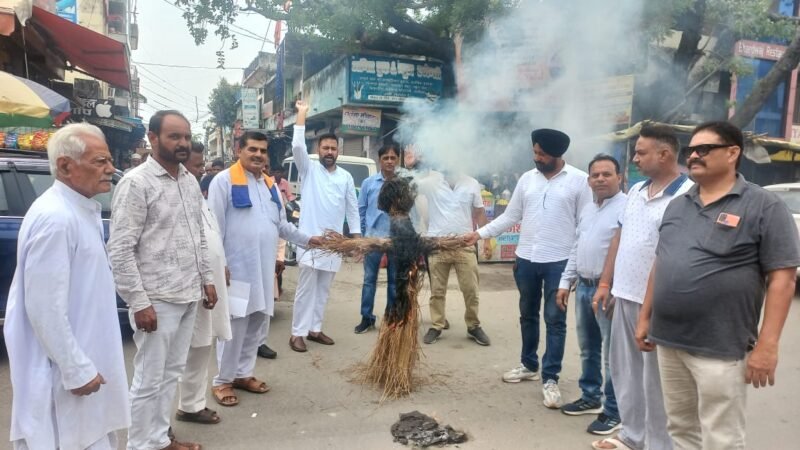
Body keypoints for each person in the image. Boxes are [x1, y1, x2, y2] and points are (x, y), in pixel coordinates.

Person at [636, 122, 800, 449]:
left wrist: (767, 346)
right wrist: (645, 317)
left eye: (704, 149)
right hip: (669, 340)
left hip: (720, 347)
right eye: (691, 150)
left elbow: (782, 277)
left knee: (721, 438)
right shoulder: (678, 205)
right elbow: (662, 263)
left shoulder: (764, 206)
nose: (694, 155)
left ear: (732, 153)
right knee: (681, 429)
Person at [4, 124, 129, 450]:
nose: (110, 169)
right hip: (64, 381)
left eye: (110, 160)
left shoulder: (78, 209)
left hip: (84, 368)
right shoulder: (56, 218)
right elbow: (44, 308)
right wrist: (76, 369)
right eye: (100, 161)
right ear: (65, 166)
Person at [108, 110, 217, 450]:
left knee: (171, 373)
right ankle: (140, 445)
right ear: (153, 139)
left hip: (187, 294)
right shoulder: (136, 183)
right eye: (174, 137)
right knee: (148, 379)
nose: (183, 143)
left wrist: (207, 279)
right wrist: (139, 302)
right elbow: (121, 249)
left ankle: (158, 439)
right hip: (156, 299)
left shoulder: (188, 179)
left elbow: (198, 233)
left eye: (186, 136)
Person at [465, 128, 592, 408]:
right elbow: (511, 215)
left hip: (559, 262)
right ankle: (528, 365)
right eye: (534, 152)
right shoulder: (527, 179)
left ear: (557, 154)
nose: (536, 157)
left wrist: (574, 267)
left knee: (555, 320)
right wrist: (479, 234)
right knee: (527, 315)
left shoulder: (580, 181)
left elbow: (584, 226)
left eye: (541, 153)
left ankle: (550, 377)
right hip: (526, 259)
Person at [590, 125, 693, 450]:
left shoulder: (688, 194)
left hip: (661, 302)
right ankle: (632, 436)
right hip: (624, 296)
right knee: (626, 372)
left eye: (641, 152)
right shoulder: (635, 191)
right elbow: (620, 237)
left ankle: (659, 444)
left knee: (658, 381)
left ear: (664, 154)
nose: (634, 158)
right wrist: (606, 282)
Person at [209, 130, 317, 402]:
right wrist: (218, 265)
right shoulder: (223, 182)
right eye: (252, 149)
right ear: (239, 150)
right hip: (236, 269)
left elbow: (281, 225)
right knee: (234, 326)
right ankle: (222, 380)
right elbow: (213, 229)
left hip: (263, 269)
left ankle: (243, 374)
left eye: (262, 150)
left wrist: (309, 240)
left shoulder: (269, 185)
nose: (258, 155)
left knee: (257, 323)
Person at [556, 154, 626, 435]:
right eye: (595, 175)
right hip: (584, 286)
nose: (600, 179)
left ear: (619, 178)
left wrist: (611, 288)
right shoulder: (587, 209)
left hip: (609, 290)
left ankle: (614, 410)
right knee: (588, 348)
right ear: (588, 180)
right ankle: (590, 396)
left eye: (606, 174)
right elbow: (577, 247)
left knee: (612, 353)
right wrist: (565, 282)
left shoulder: (626, 208)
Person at [289, 99, 360, 352]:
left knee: (323, 290)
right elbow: (297, 144)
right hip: (310, 241)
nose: (329, 151)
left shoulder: (346, 177)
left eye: (333, 148)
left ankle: (315, 329)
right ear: (318, 150)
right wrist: (301, 114)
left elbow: (352, 209)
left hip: (334, 245)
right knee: (306, 289)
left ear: (338, 151)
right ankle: (297, 333)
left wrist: (356, 238)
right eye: (325, 147)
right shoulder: (308, 170)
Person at [174, 142, 232, 425]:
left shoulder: (196, 192)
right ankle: (184, 407)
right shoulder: (175, 193)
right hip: (189, 286)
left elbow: (210, 236)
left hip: (210, 282)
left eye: (201, 166)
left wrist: (221, 267)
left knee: (202, 345)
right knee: (186, 349)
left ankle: (192, 404)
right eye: (197, 166)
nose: (201, 171)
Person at [419, 166, 491, 346]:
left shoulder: (472, 183)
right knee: (437, 290)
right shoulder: (431, 182)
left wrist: (486, 240)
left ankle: (473, 326)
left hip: (464, 243)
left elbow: (479, 212)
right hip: (438, 243)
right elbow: (410, 186)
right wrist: (413, 165)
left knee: (471, 290)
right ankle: (436, 325)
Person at [354, 143, 400, 334]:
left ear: (398, 160)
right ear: (379, 161)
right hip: (372, 240)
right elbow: (361, 211)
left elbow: (411, 212)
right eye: (385, 158)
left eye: (393, 158)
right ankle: (367, 317)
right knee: (369, 280)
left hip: (396, 240)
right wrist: (363, 238)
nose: (389, 161)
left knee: (395, 282)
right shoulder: (369, 183)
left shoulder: (403, 183)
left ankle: (391, 318)